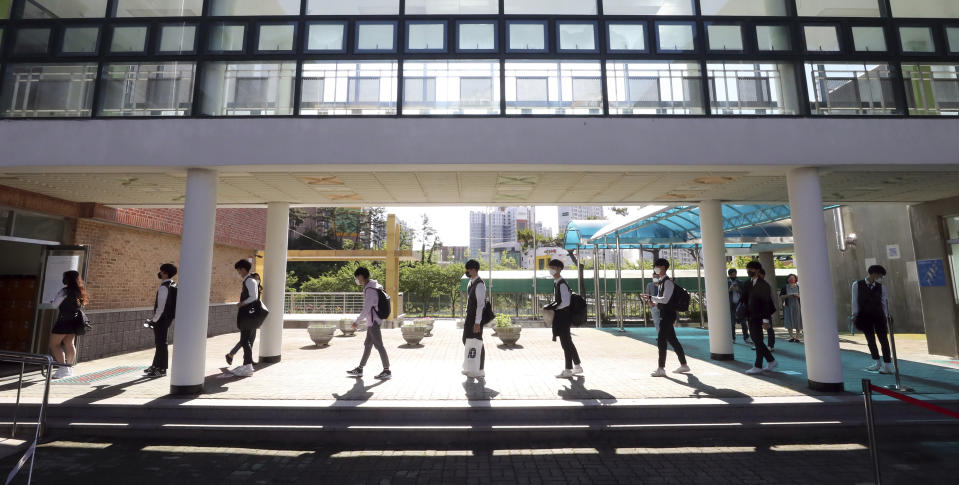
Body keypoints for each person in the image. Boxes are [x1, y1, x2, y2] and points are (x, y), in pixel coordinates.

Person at [641, 258, 690, 377]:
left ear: (663, 268)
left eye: (656, 266)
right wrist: (652, 300)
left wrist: (651, 298)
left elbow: (666, 299)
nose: (655, 268)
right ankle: (684, 365)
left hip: (668, 315)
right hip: (666, 314)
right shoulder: (662, 282)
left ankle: (661, 368)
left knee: (662, 340)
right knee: (673, 340)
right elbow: (662, 300)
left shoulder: (667, 282)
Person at [346, 267, 392, 380]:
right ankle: (360, 369)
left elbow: (367, 308)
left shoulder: (370, 289)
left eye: (357, 277)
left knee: (379, 346)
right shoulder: (373, 286)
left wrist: (357, 321)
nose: (356, 279)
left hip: (373, 322)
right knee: (368, 345)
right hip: (373, 321)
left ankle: (387, 370)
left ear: (361, 276)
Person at [545, 259, 582, 378]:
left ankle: (568, 369)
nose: (551, 270)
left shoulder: (561, 283)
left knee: (566, 343)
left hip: (563, 316)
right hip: (561, 316)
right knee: (568, 342)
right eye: (550, 267)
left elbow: (565, 302)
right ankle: (577, 366)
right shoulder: (557, 282)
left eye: (553, 267)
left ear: (559, 269)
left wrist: (554, 309)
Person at [852, 265, 892, 374]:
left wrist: (886, 316)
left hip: (879, 316)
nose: (880, 277)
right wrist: (854, 315)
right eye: (880, 275)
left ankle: (887, 364)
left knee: (883, 340)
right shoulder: (857, 285)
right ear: (874, 273)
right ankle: (877, 362)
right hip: (864, 316)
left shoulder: (881, 287)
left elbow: (884, 302)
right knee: (870, 340)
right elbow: (854, 301)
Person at [48, 270, 88, 379]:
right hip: (74, 322)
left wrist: (52, 301)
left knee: (54, 345)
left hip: (63, 321)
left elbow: (54, 305)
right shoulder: (79, 292)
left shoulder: (64, 291)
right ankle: (68, 368)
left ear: (67, 279)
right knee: (69, 344)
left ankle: (63, 369)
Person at [743, 261, 777, 375]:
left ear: (757, 270)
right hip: (751, 316)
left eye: (751, 269)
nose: (749, 271)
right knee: (757, 340)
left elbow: (766, 303)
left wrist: (766, 320)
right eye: (747, 269)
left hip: (760, 316)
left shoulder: (764, 285)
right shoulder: (748, 283)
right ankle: (771, 361)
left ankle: (759, 365)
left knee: (757, 340)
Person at [143, 263, 177, 378]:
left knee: (161, 344)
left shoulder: (164, 287)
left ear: (165, 273)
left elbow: (160, 307)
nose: (160, 273)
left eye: (161, 271)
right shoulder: (172, 285)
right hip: (167, 319)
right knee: (160, 343)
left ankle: (162, 369)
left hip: (161, 320)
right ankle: (156, 366)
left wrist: (153, 320)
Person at [227, 259, 259, 377]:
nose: (238, 272)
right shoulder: (250, 280)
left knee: (245, 340)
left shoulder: (249, 281)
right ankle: (247, 365)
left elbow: (254, 297)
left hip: (247, 314)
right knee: (246, 340)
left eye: (239, 270)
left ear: (243, 269)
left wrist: (242, 303)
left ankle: (247, 366)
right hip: (249, 314)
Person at [462, 259, 486, 379]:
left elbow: (480, 305)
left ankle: (480, 369)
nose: (466, 271)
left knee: (477, 342)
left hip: (475, 319)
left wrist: (477, 322)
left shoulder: (480, 284)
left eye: (468, 269)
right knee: (467, 340)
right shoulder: (470, 282)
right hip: (469, 317)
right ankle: (470, 367)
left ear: (473, 270)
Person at [728, 268, 748, 344]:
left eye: (735, 274)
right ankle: (732, 338)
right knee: (732, 323)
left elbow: (744, 293)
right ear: (729, 275)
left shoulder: (740, 282)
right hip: (731, 305)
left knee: (743, 322)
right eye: (732, 274)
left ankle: (746, 337)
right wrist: (729, 290)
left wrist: (737, 289)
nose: (734, 276)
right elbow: (723, 294)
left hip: (740, 305)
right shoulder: (726, 283)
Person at [758, 267, 777, 351]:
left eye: (759, 275)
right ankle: (759, 344)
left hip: (766, 310)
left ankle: (770, 345)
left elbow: (770, 299)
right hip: (756, 310)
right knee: (757, 328)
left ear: (763, 275)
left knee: (769, 327)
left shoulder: (766, 285)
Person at [781, 274, 803, 343]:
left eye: (793, 278)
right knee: (789, 321)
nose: (792, 279)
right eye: (790, 278)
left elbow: (803, 296)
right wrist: (788, 295)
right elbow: (781, 296)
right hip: (788, 306)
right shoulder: (784, 287)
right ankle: (791, 337)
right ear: (787, 279)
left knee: (798, 321)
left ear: (795, 279)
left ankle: (797, 337)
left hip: (797, 306)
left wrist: (798, 295)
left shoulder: (799, 287)